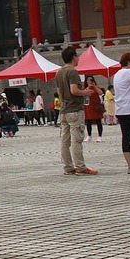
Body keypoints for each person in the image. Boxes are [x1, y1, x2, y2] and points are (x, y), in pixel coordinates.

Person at [55, 46, 98, 175]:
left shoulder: (59, 72)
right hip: (74, 109)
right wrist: (86, 92)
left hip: (64, 109)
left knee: (64, 140)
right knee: (77, 139)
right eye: (77, 56)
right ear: (74, 57)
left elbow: (59, 92)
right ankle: (80, 166)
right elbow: (74, 90)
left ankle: (67, 167)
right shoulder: (72, 72)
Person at [83, 77, 105, 142]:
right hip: (88, 106)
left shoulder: (96, 87)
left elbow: (101, 93)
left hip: (96, 106)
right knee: (88, 121)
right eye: (88, 80)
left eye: (91, 80)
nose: (89, 81)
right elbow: (84, 95)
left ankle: (100, 136)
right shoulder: (85, 88)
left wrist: (94, 86)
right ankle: (89, 135)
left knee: (98, 121)